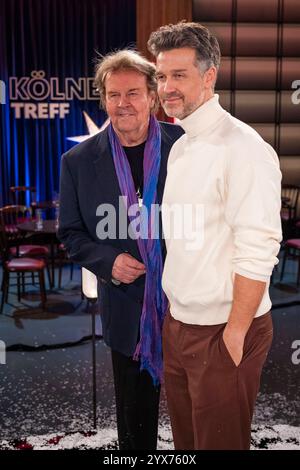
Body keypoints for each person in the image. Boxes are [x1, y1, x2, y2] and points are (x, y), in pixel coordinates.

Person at [147, 22, 282, 450]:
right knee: (188, 445)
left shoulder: (243, 148)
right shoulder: (183, 144)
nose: (166, 87)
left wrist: (235, 334)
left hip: (225, 330)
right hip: (181, 324)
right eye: (161, 76)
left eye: (179, 75)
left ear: (209, 76)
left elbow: (258, 248)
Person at [58, 50, 183, 450]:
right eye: (113, 95)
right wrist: (107, 261)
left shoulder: (184, 147)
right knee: (134, 415)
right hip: (127, 303)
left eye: (132, 93)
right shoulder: (77, 162)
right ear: (104, 99)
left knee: (193, 405)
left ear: (151, 95)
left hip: (187, 299)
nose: (122, 103)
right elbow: (71, 234)